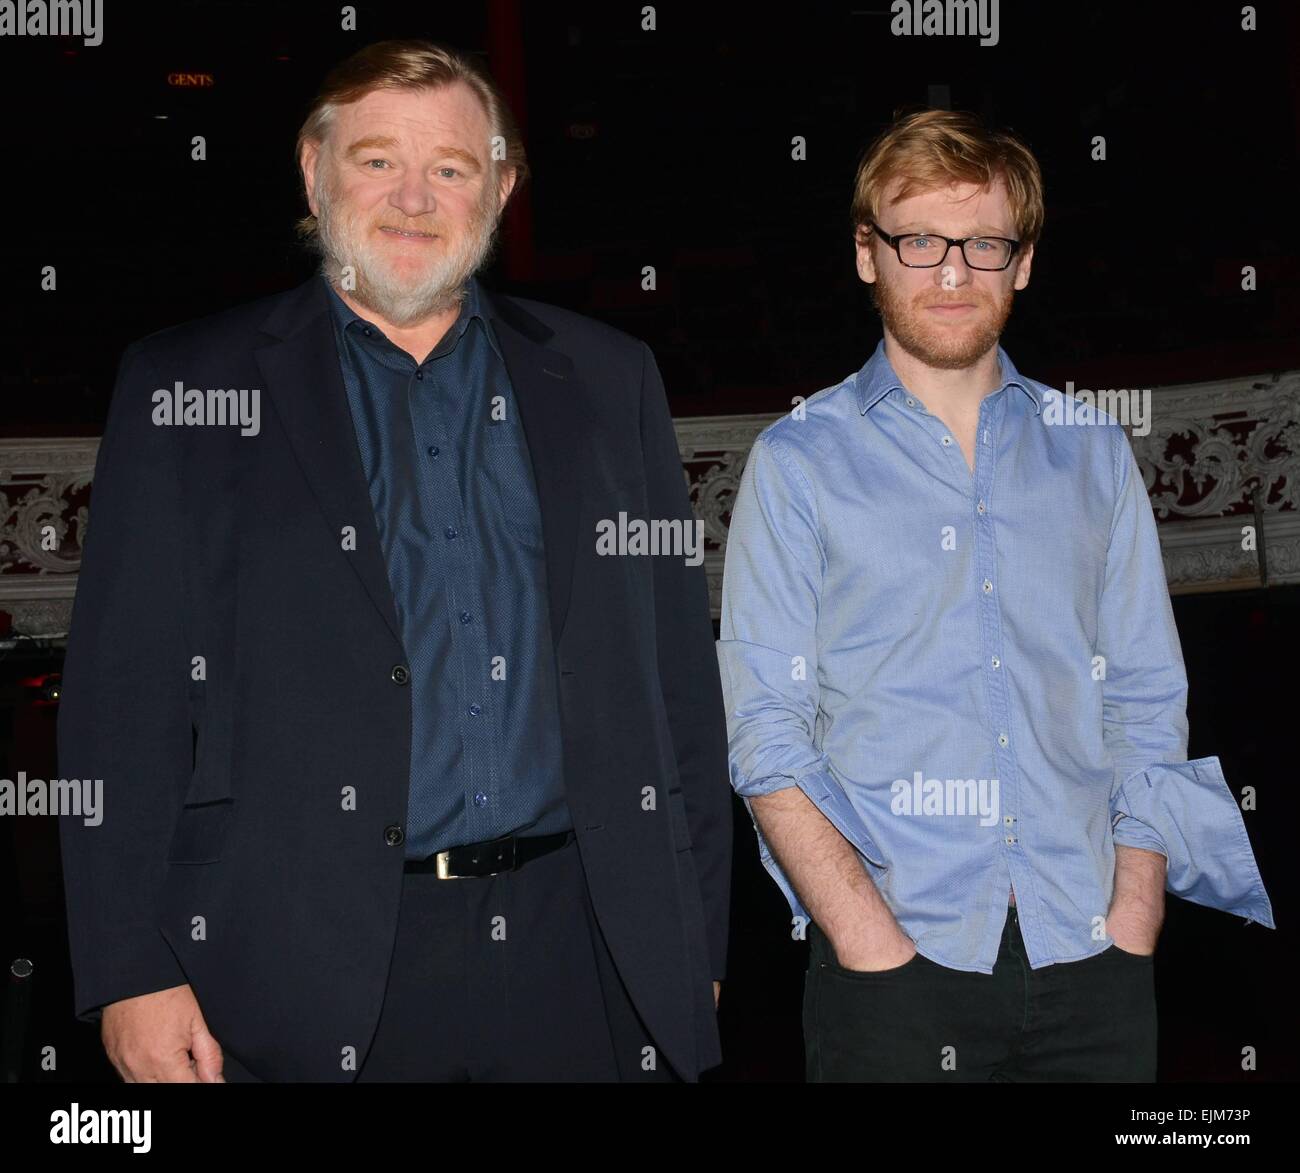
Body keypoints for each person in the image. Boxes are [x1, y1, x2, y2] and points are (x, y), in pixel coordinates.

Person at [58, 39, 730, 1083]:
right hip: (293, 961)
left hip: (583, 953)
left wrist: (693, 942)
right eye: (376, 160)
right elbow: (121, 706)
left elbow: (679, 692)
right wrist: (131, 969)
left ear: (500, 188)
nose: (413, 197)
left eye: (452, 169)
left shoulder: (606, 380)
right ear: (314, 171)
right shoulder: (184, 389)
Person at [717, 108, 1273, 1082]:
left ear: (1020, 263)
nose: (949, 273)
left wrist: (1133, 914)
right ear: (865, 254)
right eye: (918, 240)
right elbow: (764, 729)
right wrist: (866, 940)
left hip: (1092, 960)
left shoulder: (1092, 452)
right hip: (891, 969)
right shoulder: (798, 462)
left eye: (982, 244)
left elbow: (1145, 699)